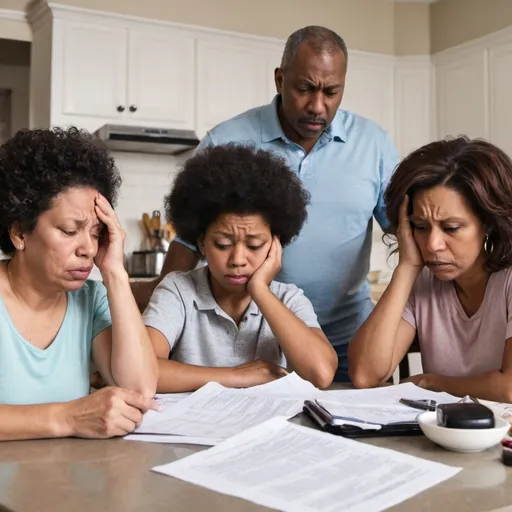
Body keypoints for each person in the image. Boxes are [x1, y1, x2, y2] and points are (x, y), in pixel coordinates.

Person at [132, 25, 399, 381]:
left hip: (348, 341)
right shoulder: (227, 139)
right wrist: (169, 302)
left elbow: (408, 233)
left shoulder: (374, 144)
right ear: (279, 79)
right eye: (304, 89)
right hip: (260, 342)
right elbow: (185, 244)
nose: (318, 106)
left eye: (332, 92)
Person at [0, 127, 159, 441]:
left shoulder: (92, 298)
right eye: (70, 230)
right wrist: (68, 418)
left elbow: (139, 392)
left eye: (97, 233)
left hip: (68, 482)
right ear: (19, 233)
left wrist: (114, 272)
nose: (88, 248)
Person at [143, 144, 338, 391]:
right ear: (201, 242)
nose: (237, 259)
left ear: (275, 244)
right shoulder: (178, 290)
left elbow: (321, 374)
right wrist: (235, 376)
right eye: (222, 244)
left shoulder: (288, 299)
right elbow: (141, 369)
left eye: (254, 245)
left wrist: (260, 290)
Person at [348, 136, 512, 403]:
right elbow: (365, 375)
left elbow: (509, 389)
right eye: (420, 227)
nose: (433, 245)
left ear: (489, 224)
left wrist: (431, 382)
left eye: (451, 228)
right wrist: (406, 267)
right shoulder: (422, 281)